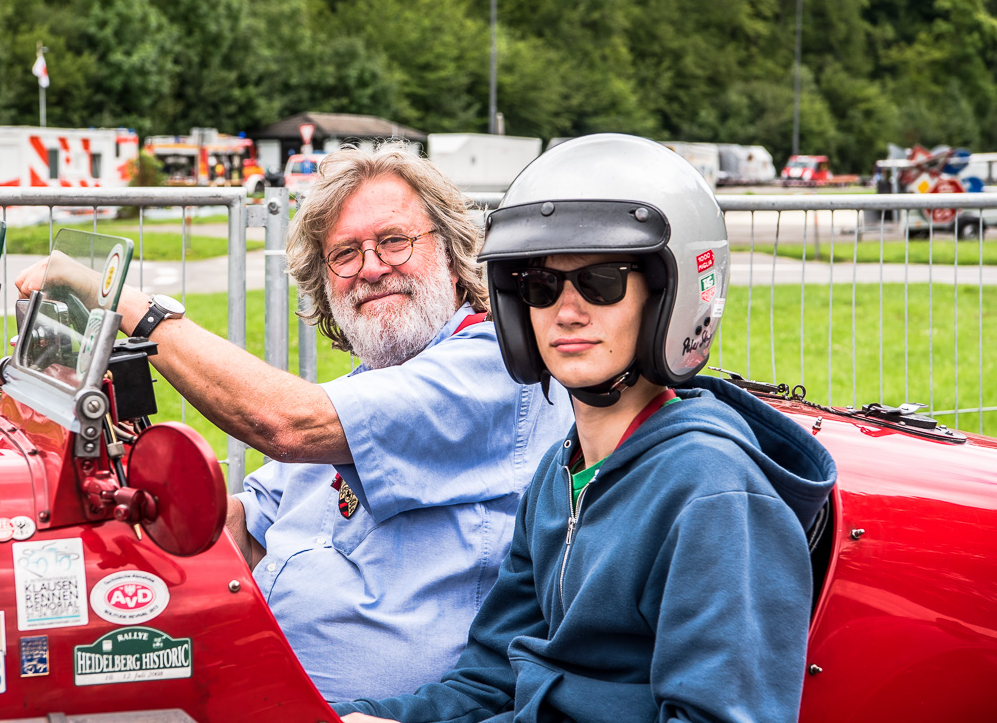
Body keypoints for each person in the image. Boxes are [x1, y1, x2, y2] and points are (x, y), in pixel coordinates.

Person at [14, 142, 573, 702]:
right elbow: (245, 530)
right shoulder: (361, 386)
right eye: (345, 254)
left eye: (394, 241)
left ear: (452, 255)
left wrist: (130, 311)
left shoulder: (497, 365)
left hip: (392, 712)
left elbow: (284, 424)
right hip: (263, 685)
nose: (372, 268)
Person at [334, 134, 837, 723]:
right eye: (542, 287)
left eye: (602, 282)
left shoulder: (712, 492)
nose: (567, 311)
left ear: (666, 298)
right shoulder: (560, 471)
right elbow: (490, 680)